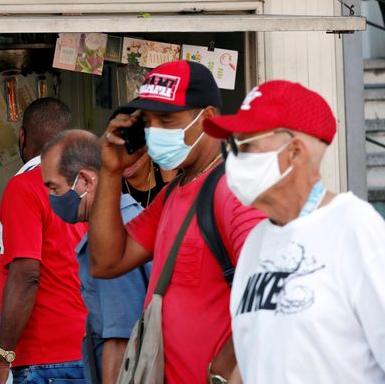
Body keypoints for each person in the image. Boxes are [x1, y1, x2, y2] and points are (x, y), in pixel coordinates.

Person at [89, 61, 266, 383]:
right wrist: (111, 171)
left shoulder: (233, 190)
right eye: (149, 122)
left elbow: (267, 295)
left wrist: (223, 371)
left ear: (209, 118)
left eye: (168, 120)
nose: (156, 130)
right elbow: (105, 262)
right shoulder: (175, 192)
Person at [203, 80, 385, 383]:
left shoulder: (357, 229)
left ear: (295, 152)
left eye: (245, 145)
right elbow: (253, 360)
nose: (232, 158)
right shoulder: (256, 243)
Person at [0, 97, 87, 384]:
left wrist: (1, 361)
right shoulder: (90, 184)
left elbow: (27, 275)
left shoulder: (24, 187)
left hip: (46, 358)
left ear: (23, 136)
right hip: (91, 350)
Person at [40, 129, 151, 384]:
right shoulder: (129, 218)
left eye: (54, 187)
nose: (52, 198)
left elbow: (120, 339)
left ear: (87, 181)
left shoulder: (110, 238)